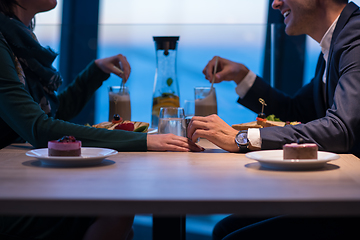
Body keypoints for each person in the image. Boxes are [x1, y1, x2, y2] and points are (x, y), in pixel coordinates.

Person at [0, 0, 202, 239]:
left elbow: (50, 113)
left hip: (20, 180)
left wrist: (96, 71)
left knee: (120, 213)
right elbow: (39, 129)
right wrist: (144, 142)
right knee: (117, 211)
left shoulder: (18, 40)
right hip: (9, 195)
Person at [188, 0, 360, 239]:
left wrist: (242, 138)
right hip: (345, 192)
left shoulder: (356, 39)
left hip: (353, 202)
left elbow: (341, 128)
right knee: (224, 229)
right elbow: (296, 110)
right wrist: (242, 76)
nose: (275, 3)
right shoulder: (336, 43)